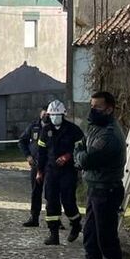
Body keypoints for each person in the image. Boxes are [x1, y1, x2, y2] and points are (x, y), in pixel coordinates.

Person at [66, 91, 126, 259]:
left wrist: (80, 156)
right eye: (91, 106)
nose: (92, 110)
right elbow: (79, 147)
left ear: (109, 109)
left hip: (106, 191)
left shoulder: (109, 135)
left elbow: (86, 160)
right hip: (94, 189)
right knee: (91, 235)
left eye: (97, 107)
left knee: (107, 238)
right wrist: (80, 153)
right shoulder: (94, 128)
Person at [38, 100, 85, 246]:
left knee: (68, 201)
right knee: (51, 201)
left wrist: (68, 156)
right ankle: (54, 235)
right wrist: (39, 171)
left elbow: (82, 149)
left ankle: (76, 224)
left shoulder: (73, 130)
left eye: (57, 115)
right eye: (52, 115)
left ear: (63, 114)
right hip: (51, 171)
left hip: (68, 171)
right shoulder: (46, 131)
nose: (54, 118)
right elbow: (41, 153)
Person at [18, 106, 49, 227]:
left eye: (48, 114)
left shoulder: (54, 128)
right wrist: (28, 156)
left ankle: (55, 219)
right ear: (40, 113)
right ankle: (34, 217)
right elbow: (22, 141)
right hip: (36, 165)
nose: (46, 116)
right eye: (44, 113)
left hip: (49, 165)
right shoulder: (34, 126)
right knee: (36, 192)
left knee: (51, 192)